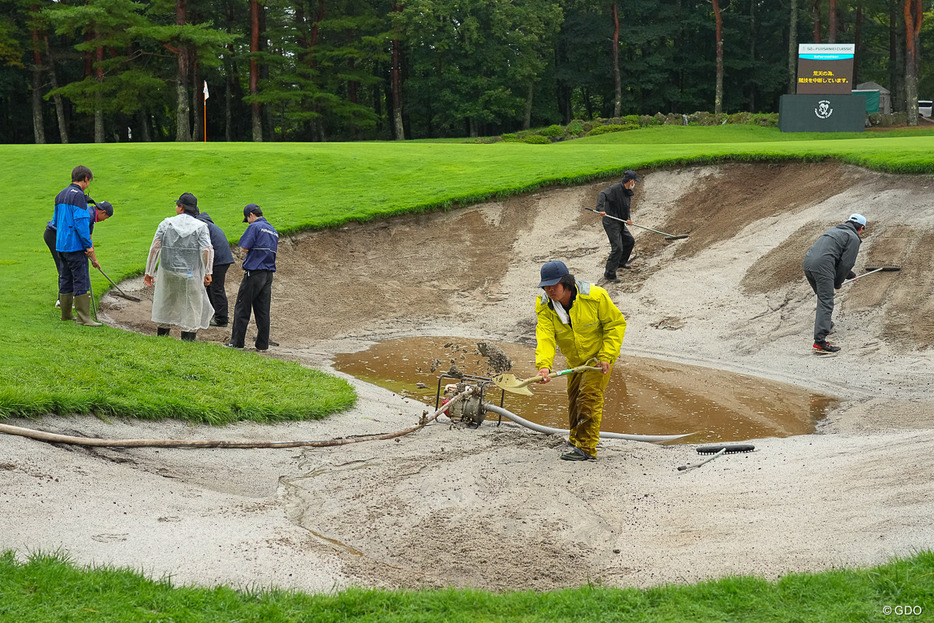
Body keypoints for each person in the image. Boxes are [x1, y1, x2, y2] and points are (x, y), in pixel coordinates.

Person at [534, 260, 627, 461]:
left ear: (566, 283)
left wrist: (606, 356)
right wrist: (544, 366)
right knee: (574, 399)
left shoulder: (595, 297)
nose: (549, 290)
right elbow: (545, 337)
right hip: (575, 359)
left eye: (554, 285)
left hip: (599, 358)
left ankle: (586, 448)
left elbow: (616, 325)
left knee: (589, 398)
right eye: (546, 286)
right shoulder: (545, 307)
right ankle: (575, 439)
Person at [143, 193, 215, 341]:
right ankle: (188, 336)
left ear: (181, 207)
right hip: (190, 272)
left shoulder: (166, 224)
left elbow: (155, 248)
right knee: (192, 302)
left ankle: (163, 332)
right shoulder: (201, 227)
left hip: (168, 270)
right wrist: (208, 271)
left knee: (166, 299)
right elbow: (207, 249)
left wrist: (149, 271)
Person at [802, 213, 867, 353]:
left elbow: (833, 255)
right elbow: (845, 264)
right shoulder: (853, 238)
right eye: (863, 230)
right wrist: (838, 282)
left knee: (823, 297)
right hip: (823, 267)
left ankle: (826, 324)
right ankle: (820, 343)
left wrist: (850, 275)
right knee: (826, 301)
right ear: (861, 228)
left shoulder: (834, 231)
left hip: (808, 264)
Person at [52, 165, 104, 326]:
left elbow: (55, 221)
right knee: (80, 279)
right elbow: (81, 223)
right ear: (86, 179)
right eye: (89, 181)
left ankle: (66, 314)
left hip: (61, 245)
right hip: (75, 246)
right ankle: (84, 318)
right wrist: (88, 246)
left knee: (65, 277)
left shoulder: (60, 195)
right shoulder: (79, 197)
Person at [227, 203, 278, 352]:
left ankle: (237, 342)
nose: (248, 221)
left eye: (247, 218)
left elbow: (244, 248)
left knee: (242, 307)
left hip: (254, 272)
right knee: (263, 311)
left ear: (251, 215)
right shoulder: (273, 231)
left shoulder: (254, 227)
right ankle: (262, 345)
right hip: (268, 275)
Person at [46, 198, 113, 308]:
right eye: (105, 218)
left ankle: (71, 296)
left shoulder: (91, 217)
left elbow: (89, 239)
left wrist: (94, 260)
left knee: (69, 266)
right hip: (54, 235)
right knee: (64, 267)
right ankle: (61, 301)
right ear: (103, 212)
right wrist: (86, 248)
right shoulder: (89, 215)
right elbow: (81, 234)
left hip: (62, 235)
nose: (104, 220)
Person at [596, 169, 641, 282]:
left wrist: (628, 219)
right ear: (630, 181)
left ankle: (621, 263)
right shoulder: (615, 189)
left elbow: (626, 208)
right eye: (634, 181)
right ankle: (609, 273)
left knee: (629, 241)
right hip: (611, 222)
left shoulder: (627, 192)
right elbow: (602, 194)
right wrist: (600, 209)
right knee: (617, 248)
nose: (634, 183)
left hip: (620, 221)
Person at [195, 210, 235, 328]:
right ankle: (213, 314)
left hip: (218, 260)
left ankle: (221, 319)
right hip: (221, 259)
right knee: (211, 287)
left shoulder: (201, 225)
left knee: (216, 288)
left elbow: (204, 247)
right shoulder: (208, 224)